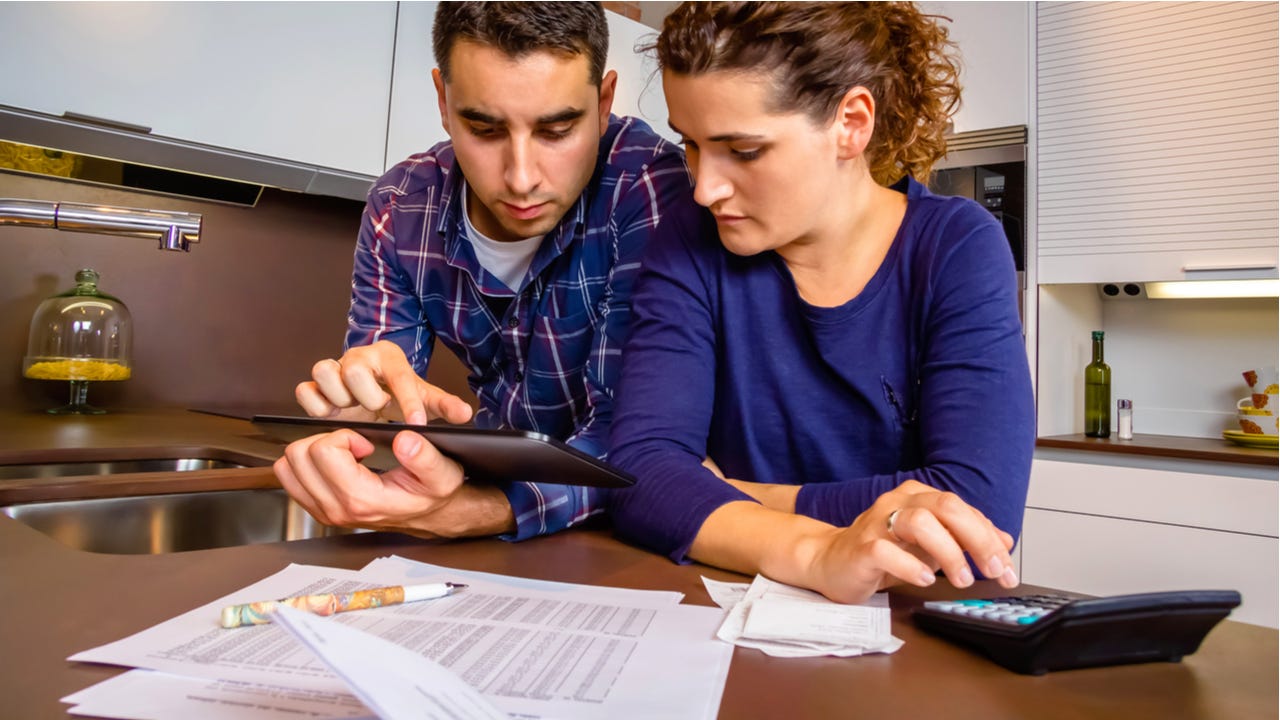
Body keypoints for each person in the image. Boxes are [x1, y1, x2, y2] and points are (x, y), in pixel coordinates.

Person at [607, 1, 1036, 604]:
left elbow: (974, 512)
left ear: (851, 124)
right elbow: (641, 473)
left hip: (908, 627)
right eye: (693, 145)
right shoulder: (688, 239)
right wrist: (817, 551)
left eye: (745, 150)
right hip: (727, 609)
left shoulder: (955, 247)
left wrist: (734, 493)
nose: (705, 188)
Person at [274, 2, 698, 541]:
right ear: (443, 102)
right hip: (491, 516)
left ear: (604, 100)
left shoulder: (651, 190)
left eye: (558, 129)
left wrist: (475, 512)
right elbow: (383, 396)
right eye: (484, 128)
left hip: (623, 531)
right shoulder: (400, 207)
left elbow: (637, 439)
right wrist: (369, 413)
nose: (521, 178)